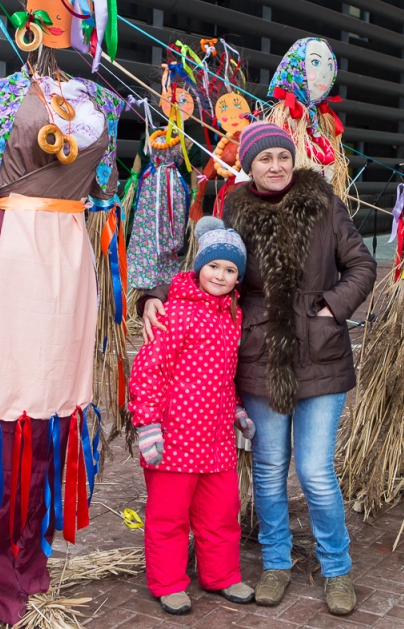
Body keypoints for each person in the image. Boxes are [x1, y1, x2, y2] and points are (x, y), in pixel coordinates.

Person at [141, 122, 376, 615]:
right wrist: (155, 297)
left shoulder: (325, 204)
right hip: (260, 356)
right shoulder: (236, 209)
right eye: (264, 159)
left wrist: (331, 307)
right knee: (269, 470)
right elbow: (206, 268)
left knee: (314, 470)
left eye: (283, 157)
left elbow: (362, 265)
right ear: (249, 167)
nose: (276, 166)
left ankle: (336, 569)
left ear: (294, 160)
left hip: (320, 354)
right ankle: (276, 564)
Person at [129, 217, 258, 615]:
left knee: (221, 514)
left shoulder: (232, 318)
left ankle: (221, 575)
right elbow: (149, 370)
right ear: (199, 265)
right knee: (169, 517)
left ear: (239, 278)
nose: (220, 275)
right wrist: (148, 424)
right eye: (214, 266)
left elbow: (225, 374)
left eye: (230, 270)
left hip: (216, 442)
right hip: (174, 441)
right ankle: (168, 582)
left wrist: (235, 409)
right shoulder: (173, 312)